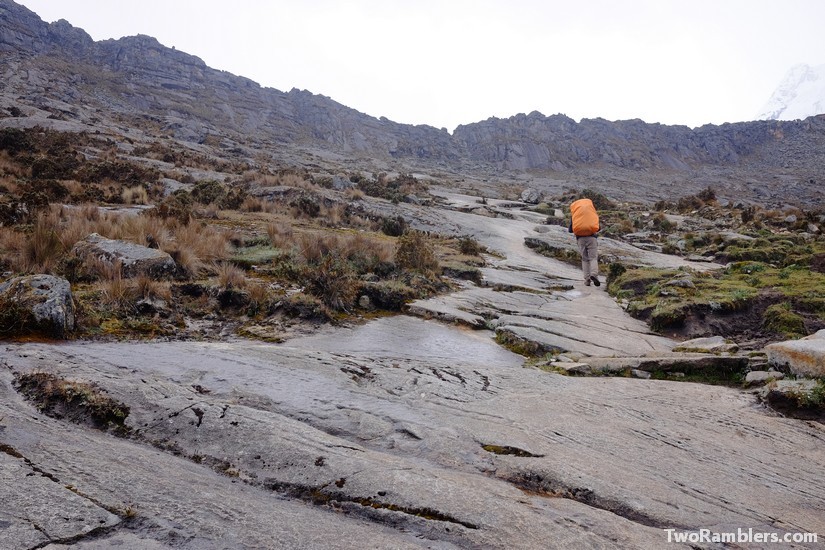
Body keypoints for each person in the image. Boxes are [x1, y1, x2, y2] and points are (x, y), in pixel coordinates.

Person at [568, 198, 600, 287]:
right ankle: (594, 274)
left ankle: (587, 279)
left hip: (580, 239)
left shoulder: (575, 214)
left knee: (585, 259)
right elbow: (598, 227)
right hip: (592, 238)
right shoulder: (591, 212)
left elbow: (570, 230)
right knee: (593, 258)